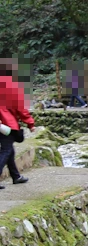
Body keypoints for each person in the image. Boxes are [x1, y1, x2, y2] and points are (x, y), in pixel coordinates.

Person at [0, 60, 37, 189]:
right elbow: (20, 107)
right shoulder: (11, 86)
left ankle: (16, 176)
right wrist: (30, 123)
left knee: (9, 150)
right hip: (6, 124)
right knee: (6, 150)